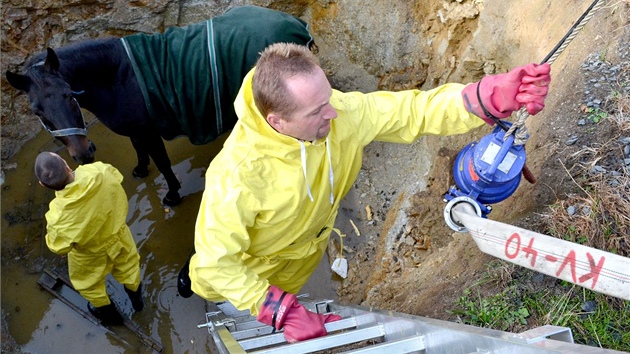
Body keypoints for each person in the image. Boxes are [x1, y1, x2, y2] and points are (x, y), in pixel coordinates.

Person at [179, 42, 551, 342]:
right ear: (277, 121)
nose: (334, 114)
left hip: (296, 263)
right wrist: (279, 310)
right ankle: (209, 301)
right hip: (241, 284)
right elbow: (217, 263)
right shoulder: (237, 177)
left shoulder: (337, 113)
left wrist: (482, 98)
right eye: (317, 111)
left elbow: (411, 112)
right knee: (231, 312)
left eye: (329, 99)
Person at [35, 152, 144, 326]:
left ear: (42, 184)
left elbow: (58, 247)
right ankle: (138, 303)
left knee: (89, 285)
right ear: (67, 165)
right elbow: (117, 177)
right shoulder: (97, 170)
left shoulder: (57, 216)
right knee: (130, 267)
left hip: (89, 254)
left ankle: (111, 315)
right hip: (120, 236)